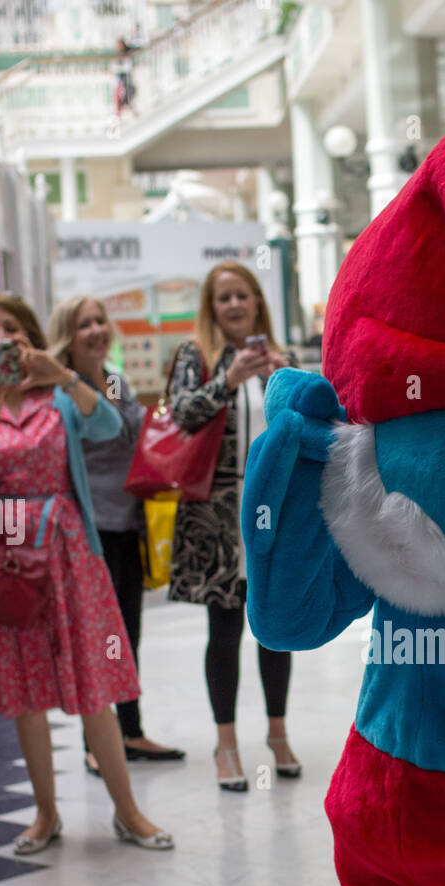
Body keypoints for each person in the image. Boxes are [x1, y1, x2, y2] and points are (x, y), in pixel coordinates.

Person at [0, 293, 173, 853]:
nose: (0, 340)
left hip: (71, 550)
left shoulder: (58, 394)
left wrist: (62, 373)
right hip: (10, 554)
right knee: (25, 692)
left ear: (29, 336)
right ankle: (45, 814)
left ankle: (128, 812)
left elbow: (111, 423)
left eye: (10, 328)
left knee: (95, 684)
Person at [167, 261, 301, 790]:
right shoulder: (195, 355)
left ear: (257, 302)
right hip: (216, 513)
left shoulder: (279, 358)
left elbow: (310, 422)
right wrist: (228, 380)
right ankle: (225, 743)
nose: (234, 305)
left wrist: (281, 377)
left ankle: (277, 731)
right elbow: (181, 414)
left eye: (243, 295)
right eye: (223, 298)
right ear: (212, 306)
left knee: (275, 626)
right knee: (223, 629)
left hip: (275, 509)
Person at [48, 295, 185, 774]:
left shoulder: (113, 380)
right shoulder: (60, 391)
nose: (95, 331)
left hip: (126, 525)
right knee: (95, 638)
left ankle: (130, 731)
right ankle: (96, 739)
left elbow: (133, 435)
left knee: (126, 634)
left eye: (99, 321)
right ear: (69, 333)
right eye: (84, 324)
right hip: (89, 531)